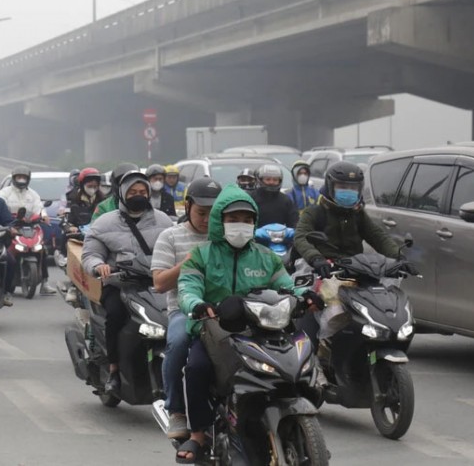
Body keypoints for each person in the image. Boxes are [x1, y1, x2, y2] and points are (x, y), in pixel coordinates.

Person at [175, 185, 318, 462]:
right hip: (214, 328)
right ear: (220, 221)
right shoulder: (202, 254)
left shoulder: (266, 256)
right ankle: (198, 435)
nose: (240, 225)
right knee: (196, 368)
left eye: (247, 219)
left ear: (254, 222)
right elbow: (187, 287)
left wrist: (305, 296)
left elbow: (286, 286)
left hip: (262, 328)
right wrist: (197, 305)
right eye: (233, 219)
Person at [81, 171, 173, 395]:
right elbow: (90, 254)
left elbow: (176, 248)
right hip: (121, 284)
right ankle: (113, 371)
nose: (138, 195)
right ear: (122, 194)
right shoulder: (104, 223)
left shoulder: (164, 221)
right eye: (133, 192)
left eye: (143, 192)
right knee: (115, 316)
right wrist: (99, 266)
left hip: (157, 283)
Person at [151, 177, 221, 440]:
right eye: (202, 213)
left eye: (214, 214)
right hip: (184, 311)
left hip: (223, 310)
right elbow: (159, 283)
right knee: (178, 342)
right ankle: (176, 410)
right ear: (187, 206)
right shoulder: (170, 236)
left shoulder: (228, 237)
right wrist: (189, 262)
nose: (207, 220)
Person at [0, 165, 54, 294]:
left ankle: (44, 283)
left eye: (24, 177)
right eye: (19, 177)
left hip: (30, 226)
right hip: (11, 226)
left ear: (28, 179)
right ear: (14, 178)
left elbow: (39, 207)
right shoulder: (5, 193)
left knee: (42, 250)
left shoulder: (33, 194)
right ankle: (0, 282)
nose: (21, 180)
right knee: (2, 252)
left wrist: (43, 216)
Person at [249, 164, 298, 228]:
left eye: (275, 180)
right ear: (260, 180)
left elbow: (294, 222)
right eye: (268, 179)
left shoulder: (285, 201)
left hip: (280, 236)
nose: (271, 182)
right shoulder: (251, 199)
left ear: (279, 181)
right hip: (255, 236)